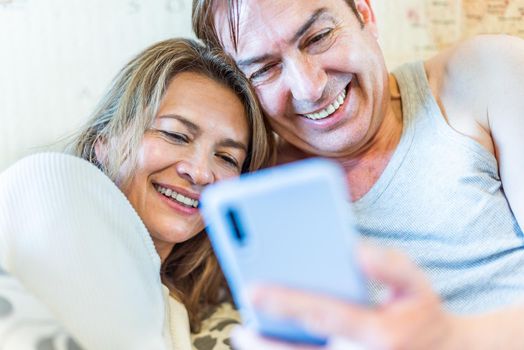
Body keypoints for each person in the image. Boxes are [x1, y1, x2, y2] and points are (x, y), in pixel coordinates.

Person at [191, 0, 524, 348]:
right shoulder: (251, 188)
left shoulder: (487, 75)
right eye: (264, 70)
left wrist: (450, 339)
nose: (309, 88)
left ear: (365, 14)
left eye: (319, 37)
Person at [0, 38, 274, 350]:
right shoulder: (52, 182)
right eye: (175, 135)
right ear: (102, 142)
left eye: (227, 158)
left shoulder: (177, 311)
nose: (200, 173)